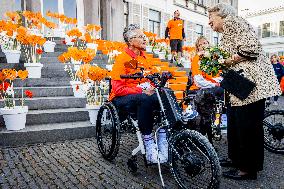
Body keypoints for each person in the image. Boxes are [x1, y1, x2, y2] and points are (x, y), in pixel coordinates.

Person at [208, 3, 281, 180]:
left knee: (247, 125)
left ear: (221, 15)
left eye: (211, 17)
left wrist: (226, 61)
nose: (209, 22)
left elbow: (252, 49)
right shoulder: (228, 27)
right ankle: (237, 159)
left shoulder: (232, 21)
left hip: (250, 82)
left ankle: (248, 169)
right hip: (239, 81)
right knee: (235, 122)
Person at [109, 24, 168, 164]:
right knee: (145, 98)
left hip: (141, 94)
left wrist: (157, 85)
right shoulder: (122, 59)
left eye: (144, 36)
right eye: (141, 37)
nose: (145, 39)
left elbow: (152, 77)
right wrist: (141, 90)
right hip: (121, 98)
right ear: (130, 41)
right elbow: (117, 89)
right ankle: (148, 144)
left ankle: (163, 139)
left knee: (165, 93)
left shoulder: (145, 58)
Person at [189, 36, 224, 144]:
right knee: (217, 92)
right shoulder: (197, 59)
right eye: (201, 44)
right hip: (199, 89)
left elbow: (219, 77)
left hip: (211, 89)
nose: (204, 45)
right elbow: (199, 81)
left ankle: (217, 121)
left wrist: (215, 82)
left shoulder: (213, 59)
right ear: (198, 47)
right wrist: (215, 83)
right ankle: (214, 124)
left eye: (206, 43)